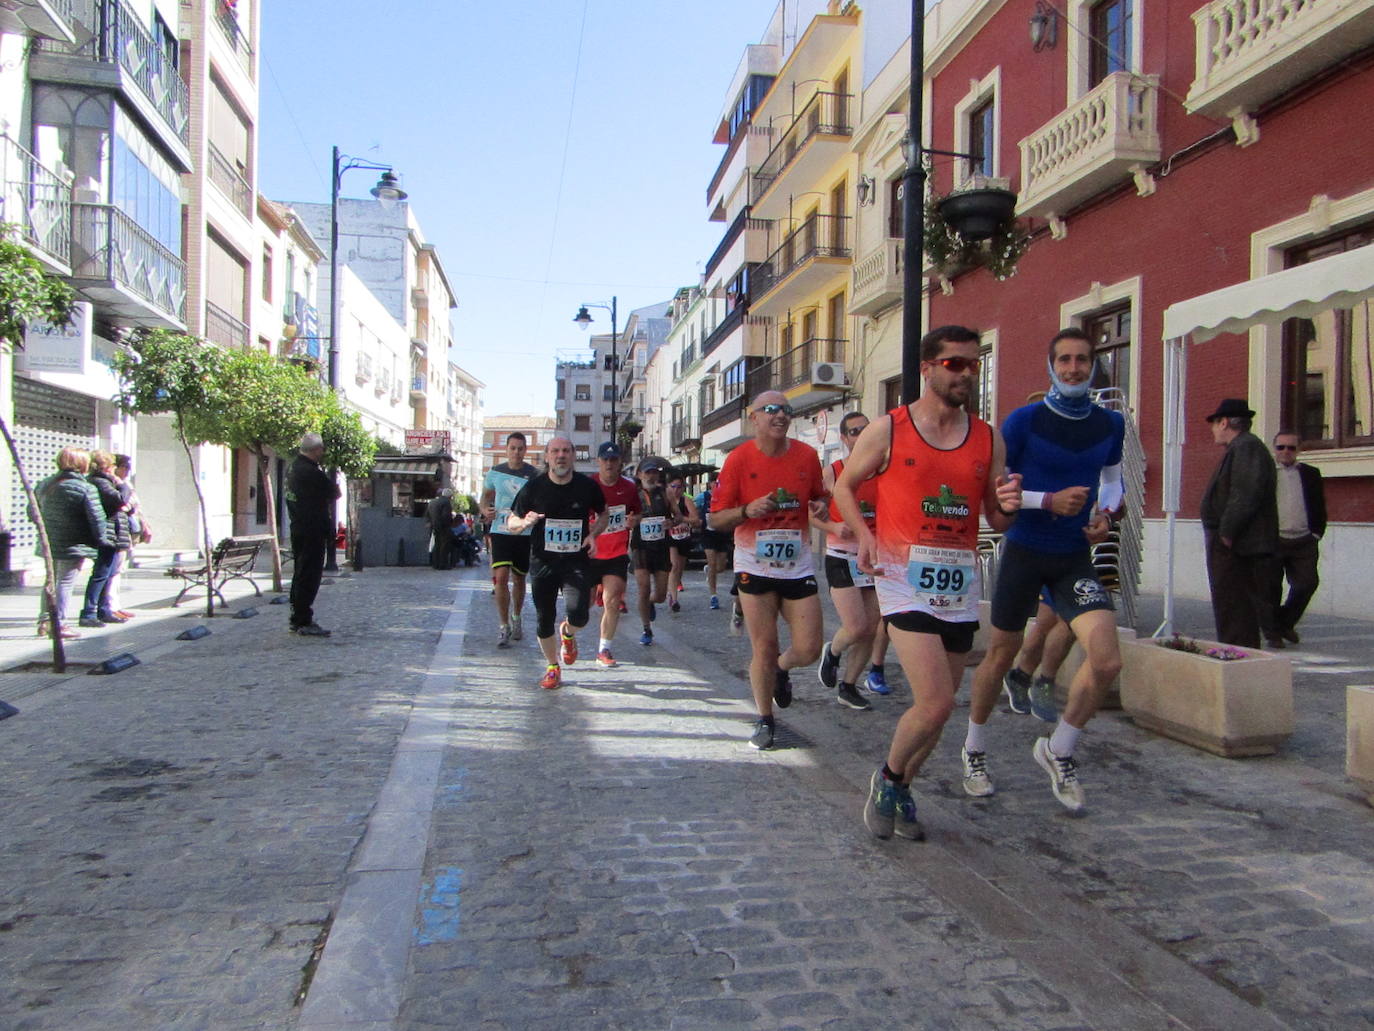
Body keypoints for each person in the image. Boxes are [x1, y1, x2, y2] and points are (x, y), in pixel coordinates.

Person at [835, 325, 1020, 840]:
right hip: (900, 576)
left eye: (973, 363)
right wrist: (864, 535)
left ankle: (903, 790)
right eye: (954, 363)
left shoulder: (988, 437)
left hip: (958, 582)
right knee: (935, 701)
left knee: (937, 715)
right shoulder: (890, 429)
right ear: (928, 368)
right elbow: (845, 486)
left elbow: (996, 518)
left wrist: (1008, 508)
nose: (966, 372)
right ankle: (888, 780)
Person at [965, 328, 1125, 812]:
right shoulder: (1023, 421)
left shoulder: (1111, 424)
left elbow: (1112, 483)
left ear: (1093, 365)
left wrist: (1105, 516)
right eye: (1065, 360)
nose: (1074, 368)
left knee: (1107, 660)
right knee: (1000, 656)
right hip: (1024, 550)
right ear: (1051, 366)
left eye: (1082, 360)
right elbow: (994, 489)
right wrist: (1046, 500)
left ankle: (1059, 750)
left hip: (1073, 557)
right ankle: (973, 748)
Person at [709, 391, 828, 750]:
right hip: (753, 563)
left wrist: (821, 506)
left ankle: (781, 668)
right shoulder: (738, 460)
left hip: (796, 565)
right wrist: (747, 511)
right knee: (764, 644)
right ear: (754, 417)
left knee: (808, 648)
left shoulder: (807, 456)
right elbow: (715, 519)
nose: (780, 415)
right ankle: (764, 719)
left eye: (786, 410)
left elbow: (820, 496)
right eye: (771, 410)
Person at [507, 436, 607, 690]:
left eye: (565, 451)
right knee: (544, 617)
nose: (560, 455)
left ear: (573, 455)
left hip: (576, 561)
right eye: (555, 451)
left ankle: (569, 632)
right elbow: (511, 523)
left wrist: (593, 534)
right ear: (547, 456)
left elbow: (604, 513)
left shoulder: (586, 486)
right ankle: (552, 666)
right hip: (543, 562)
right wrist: (525, 523)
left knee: (579, 614)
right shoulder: (534, 487)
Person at [812, 410, 881, 711]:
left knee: (873, 626)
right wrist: (832, 527)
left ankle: (849, 685)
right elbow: (810, 512)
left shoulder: (883, 470)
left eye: (865, 429)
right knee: (855, 626)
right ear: (843, 438)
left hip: (874, 556)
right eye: (854, 431)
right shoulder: (834, 471)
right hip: (841, 555)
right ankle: (834, 650)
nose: (860, 435)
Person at [1200, 398, 1279, 649]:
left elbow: (1245, 493)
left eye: (1214, 423)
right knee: (1230, 605)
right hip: (1233, 541)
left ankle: (1237, 656)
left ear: (1224, 422)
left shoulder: (1246, 447)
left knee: (1236, 606)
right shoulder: (1242, 447)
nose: (1213, 429)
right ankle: (1233, 651)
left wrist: (1227, 532)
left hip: (1238, 544)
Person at [31, 447, 106, 639]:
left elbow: (32, 512)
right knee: (65, 582)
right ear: (82, 464)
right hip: (73, 543)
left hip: (49, 541)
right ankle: (60, 624)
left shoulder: (45, 484)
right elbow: (97, 519)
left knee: (50, 581)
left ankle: (44, 621)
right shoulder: (86, 488)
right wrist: (100, 540)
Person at [480, 432, 539, 647]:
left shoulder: (534, 474)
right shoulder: (495, 472)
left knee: (520, 578)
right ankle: (503, 625)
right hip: (500, 530)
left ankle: (516, 616)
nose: (516, 452)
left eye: (520, 448)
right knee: (501, 577)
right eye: (513, 448)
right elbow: (485, 498)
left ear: (525, 450)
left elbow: (539, 502)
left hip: (524, 533)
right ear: (507, 449)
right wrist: (485, 511)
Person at [1268, 431, 1326, 646]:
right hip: (1275, 539)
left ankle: (1284, 622)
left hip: (1304, 540)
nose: (1285, 452)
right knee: (1271, 588)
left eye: (1291, 448)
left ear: (1298, 450)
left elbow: (1319, 504)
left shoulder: (1310, 473)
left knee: (1307, 583)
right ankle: (1273, 633)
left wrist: (1317, 532)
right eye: (1281, 447)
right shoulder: (1267, 474)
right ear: (1274, 449)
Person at [587, 441, 640, 667]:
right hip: (590, 553)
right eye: (605, 459)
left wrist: (633, 520)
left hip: (617, 554)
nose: (609, 463)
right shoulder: (588, 485)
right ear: (598, 461)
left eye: (614, 460)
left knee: (612, 601)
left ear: (620, 462)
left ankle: (604, 649)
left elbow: (637, 514)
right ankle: (568, 631)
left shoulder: (628, 488)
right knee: (583, 606)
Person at [285, 432, 340, 637]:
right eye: (321, 449)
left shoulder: (291, 469)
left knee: (300, 573)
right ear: (316, 450)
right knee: (309, 575)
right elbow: (334, 492)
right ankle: (303, 619)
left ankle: (297, 616)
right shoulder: (311, 472)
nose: (322, 453)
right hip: (312, 529)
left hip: (298, 526)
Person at [79, 450, 132, 628]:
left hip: (113, 532)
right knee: (101, 574)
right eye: (112, 465)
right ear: (106, 466)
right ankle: (89, 612)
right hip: (107, 533)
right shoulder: (100, 482)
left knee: (107, 573)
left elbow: (124, 505)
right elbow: (120, 499)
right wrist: (123, 485)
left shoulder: (103, 482)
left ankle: (102, 610)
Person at [630, 456, 675, 646]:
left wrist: (671, 522)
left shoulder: (665, 493)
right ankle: (646, 628)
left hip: (661, 546)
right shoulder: (633, 494)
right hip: (641, 546)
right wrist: (631, 521)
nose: (651, 475)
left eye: (654, 472)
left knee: (661, 595)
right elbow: (626, 518)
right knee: (643, 588)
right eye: (647, 472)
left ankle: (650, 603)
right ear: (640, 475)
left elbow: (679, 517)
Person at [105, 453, 147, 620]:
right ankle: (110, 605)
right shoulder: (115, 485)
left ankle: (115, 605)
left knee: (119, 570)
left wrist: (144, 523)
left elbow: (136, 506)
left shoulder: (125, 484)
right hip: (118, 532)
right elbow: (125, 506)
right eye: (125, 467)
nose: (128, 471)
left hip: (127, 532)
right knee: (113, 571)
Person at [664, 471, 701, 611]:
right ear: (668, 486)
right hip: (670, 538)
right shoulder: (665, 501)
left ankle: (672, 589)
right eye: (673, 486)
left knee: (679, 568)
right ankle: (673, 599)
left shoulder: (686, 500)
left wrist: (681, 519)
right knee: (674, 566)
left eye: (679, 487)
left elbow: (695, 520)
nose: (676, 490)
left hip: (684, 537)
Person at [696, 474, 730, 611]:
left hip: (722, 534)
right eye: (715, 483)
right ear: (710, 484)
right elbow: (693, 509)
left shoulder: (726, 497)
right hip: (707, 535)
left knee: (721, 567)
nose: (717, 485)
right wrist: (696, 520)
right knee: (712, 562)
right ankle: (713, 596)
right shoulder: (703, 497)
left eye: (720, 483)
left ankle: (709, 571)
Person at [425, 488, 455, 570]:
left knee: (437, 545)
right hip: (443, 527)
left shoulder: (433, 502)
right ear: (449, 496)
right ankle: (443, 564)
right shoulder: (446, 502)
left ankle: (435, 564)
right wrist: (450, 523)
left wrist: (431, 523)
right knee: (444, 546)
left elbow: (427, 514)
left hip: (434, 527)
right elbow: (446, 516)